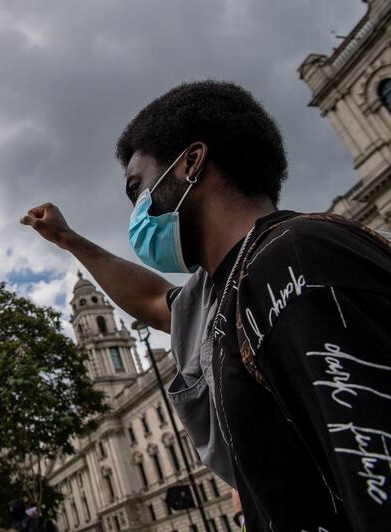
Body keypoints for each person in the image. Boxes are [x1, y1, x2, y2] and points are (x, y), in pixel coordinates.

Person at [21, 80, 391, 530]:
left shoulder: (298, 258)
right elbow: (157, 300)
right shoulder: (221, 291)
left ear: (191, 164)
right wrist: (69, 240)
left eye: (137, 189)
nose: (136, 211)